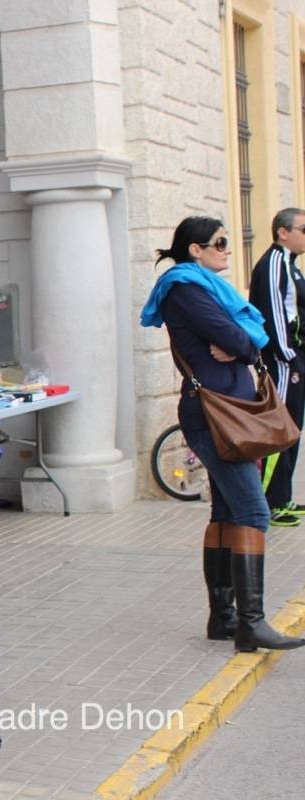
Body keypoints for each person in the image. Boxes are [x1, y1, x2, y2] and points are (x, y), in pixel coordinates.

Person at [140, 216, 304, 651]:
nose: (227, 249)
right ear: (195, 250)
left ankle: (224, 618)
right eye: (219, 243)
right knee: (254, 512)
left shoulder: (205, 288)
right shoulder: (185, 289)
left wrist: (242, 344)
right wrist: (242, 345)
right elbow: (242, 338)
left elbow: (248, 337)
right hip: (217, 414)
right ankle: (251, 623)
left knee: (228, 513)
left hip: (228, 410)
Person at [247, 208, 305, 525]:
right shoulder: (274, 263)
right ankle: (269, 503)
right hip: (282, 363)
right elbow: (273, 314)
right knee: (278, 430)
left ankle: (283, 498)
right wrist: (288, 356)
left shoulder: (290, 264)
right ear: (283, 232)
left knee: (292, 430)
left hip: (294, 360)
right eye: (303, 229)